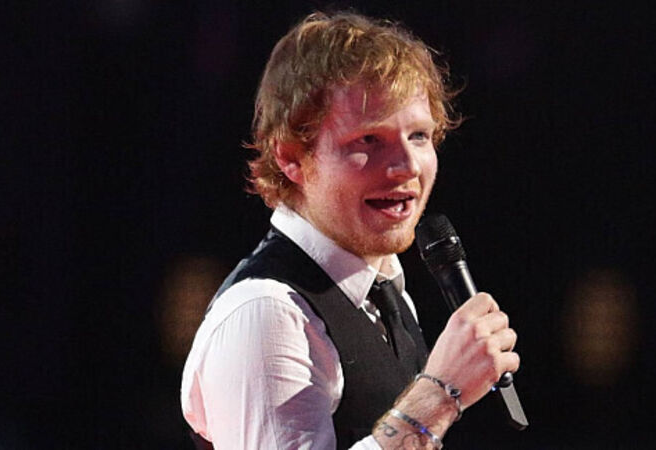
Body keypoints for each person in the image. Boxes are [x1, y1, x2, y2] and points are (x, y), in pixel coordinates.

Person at [181, 11, 520, 449]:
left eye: (419, 136)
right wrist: (438, 395)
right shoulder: (266, 314)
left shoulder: (386, 293)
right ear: (292, 157)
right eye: (369, 140)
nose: (407, 166)